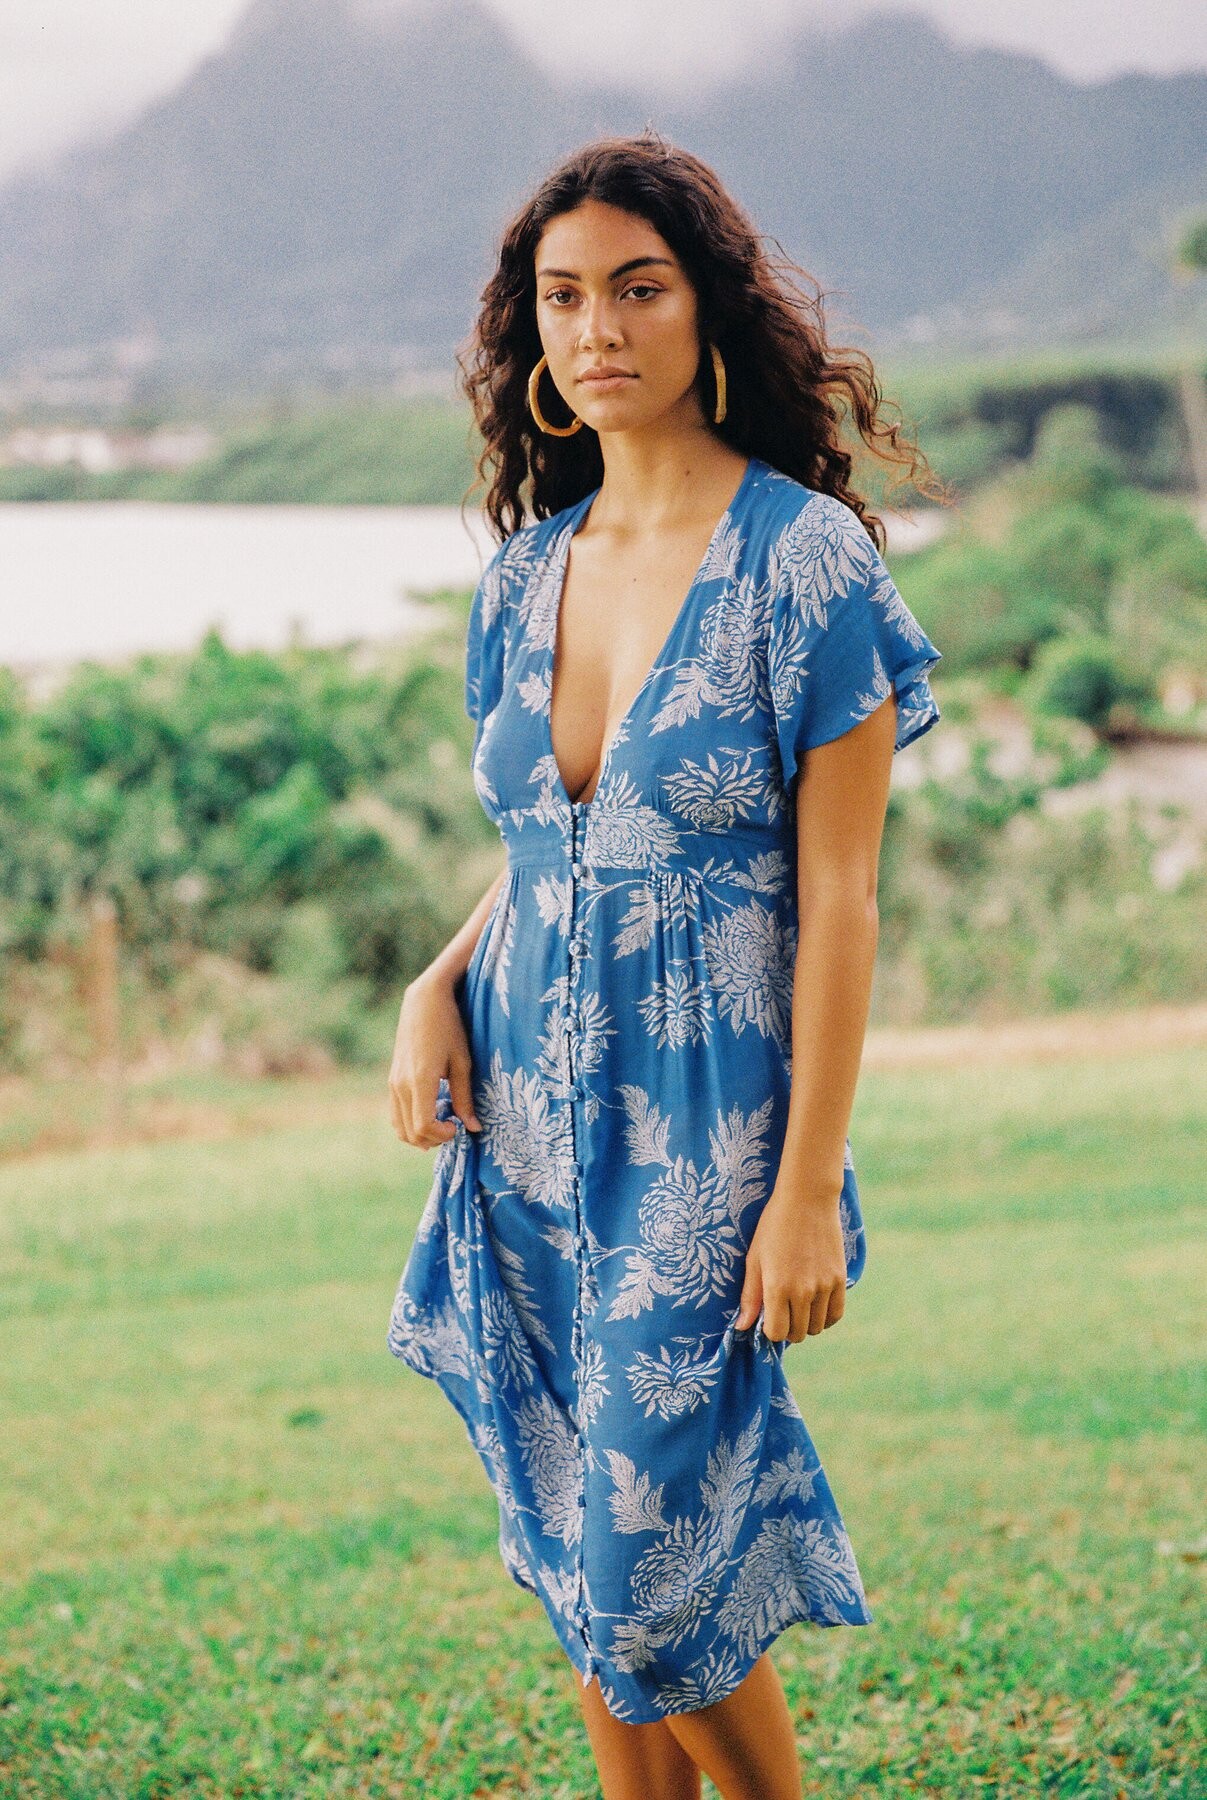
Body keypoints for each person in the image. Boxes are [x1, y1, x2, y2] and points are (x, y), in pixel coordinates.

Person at [387, 129, 949, 1800]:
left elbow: (839, 895)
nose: (599, 328)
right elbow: (556, 852)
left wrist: (805, 1188)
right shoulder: (523, 579)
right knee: (583, 1551)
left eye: (637, 288)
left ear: (706, 308)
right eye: (564, 298)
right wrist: (435, 978)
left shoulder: (803, 559)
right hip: (525, 1127)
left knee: (637, 1573)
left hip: (709, 1142)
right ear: (532, 333)